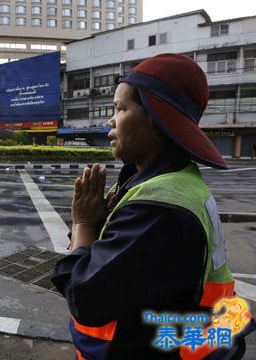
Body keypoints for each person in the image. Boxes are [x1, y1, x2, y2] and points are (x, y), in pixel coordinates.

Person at [51, 54, 255, 359]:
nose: (111, 120)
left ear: (156, 122)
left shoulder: (157, 208)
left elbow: (86, 299)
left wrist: (83, 224)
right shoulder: (174, 181)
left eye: (120, 109)